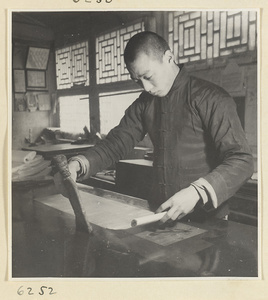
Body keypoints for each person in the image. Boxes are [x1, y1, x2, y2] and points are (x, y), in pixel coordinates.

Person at [54, 31, 254, 224]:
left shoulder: (211, 98)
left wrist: (196, 192)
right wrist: (79, 165)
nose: (146, 87)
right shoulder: (145, 103)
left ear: (168, 58)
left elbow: (242, 160)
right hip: (161, 213)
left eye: (148, 76)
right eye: (137, 80)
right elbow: (116, 143)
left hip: (208, 217)